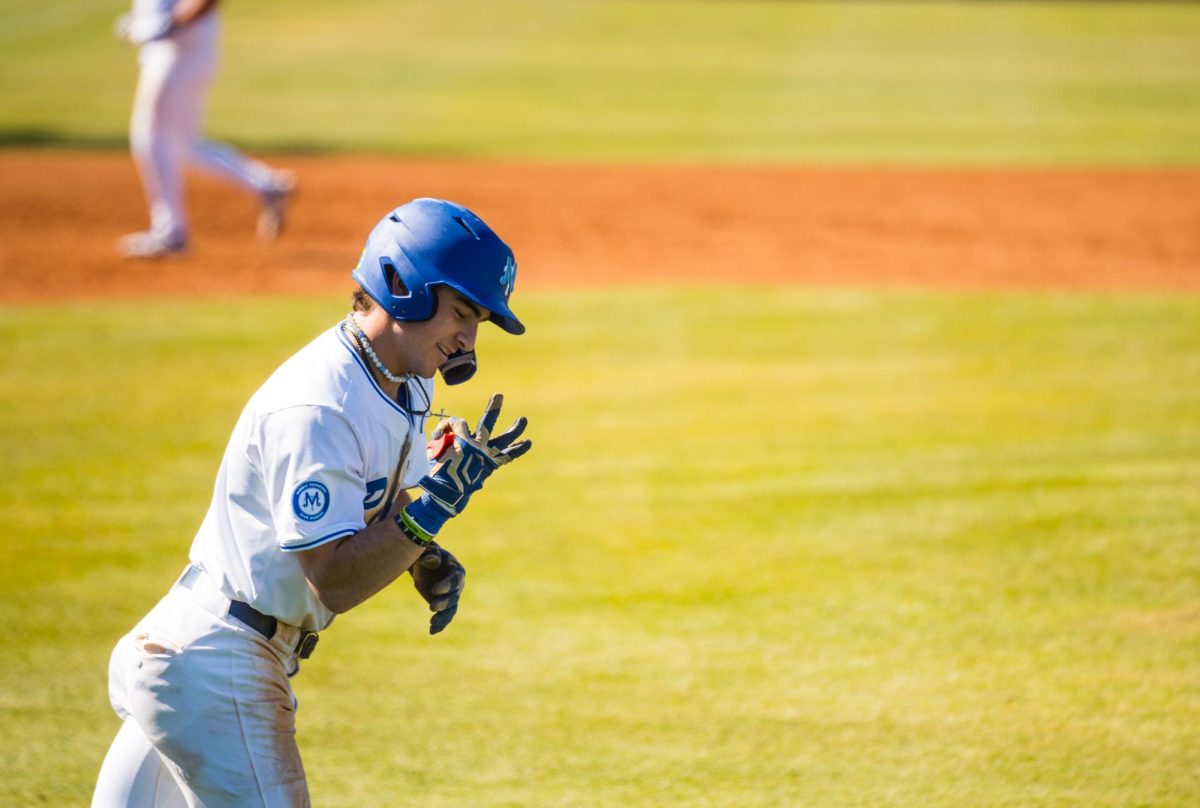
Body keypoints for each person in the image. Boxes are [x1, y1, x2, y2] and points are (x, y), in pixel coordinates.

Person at [91, 198, 532, 806]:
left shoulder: (405, 379)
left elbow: (375, 508)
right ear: (403, 286)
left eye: (477, 320)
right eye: (461, 312)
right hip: (217, 665)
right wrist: (433, 508)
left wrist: (420, 554)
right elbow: (335, 581)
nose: (468, 337)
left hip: (199, 654)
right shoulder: (319, 407)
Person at [113, 0, 296, 259]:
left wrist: (169, 23)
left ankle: (170, 232)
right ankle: (266, 185)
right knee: (183, 143)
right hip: (174, 49)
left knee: (150, 135)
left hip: (178, 50)